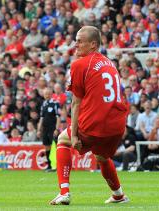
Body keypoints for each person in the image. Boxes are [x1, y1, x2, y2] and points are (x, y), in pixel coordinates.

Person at [50, 26, 128, 205]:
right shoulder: (110, 63)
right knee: (101, 156)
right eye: (76, 40)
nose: (75, 44)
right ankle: (118, 195)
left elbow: (76, 103)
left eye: (80, 41)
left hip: (96, 123)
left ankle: (64, 192)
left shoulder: (80, 64)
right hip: (117, 126)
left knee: (63, 139)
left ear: (93, 44)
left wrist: (75, 134)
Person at [37, 87, 61, 171]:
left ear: (51, 94)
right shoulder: (43, 104)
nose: (46, 95)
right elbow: (41, 118)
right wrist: (39, 129)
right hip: (45, 129)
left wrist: (57, 129)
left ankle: (58, 165)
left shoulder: (55, 104)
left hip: (52, 128)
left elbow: (58, 117)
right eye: (45, 94)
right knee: (46, 146)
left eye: (48, 93)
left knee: (55, 146)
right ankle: (49, 165)